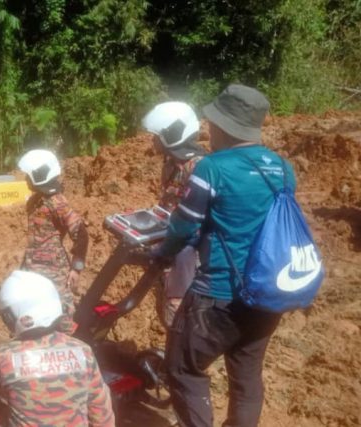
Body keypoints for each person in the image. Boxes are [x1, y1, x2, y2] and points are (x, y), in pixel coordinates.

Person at [153, 84, 295, 427]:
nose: (209, 129)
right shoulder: (281, 168)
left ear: (224, 126)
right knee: (246, 378)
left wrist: (161, 254)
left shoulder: (212, 169)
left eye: (212, 123)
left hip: (219, 296)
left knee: (182, 368)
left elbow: (184, 228)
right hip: (267, 295)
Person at [0, 270, 114, 427]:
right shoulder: (82, 351)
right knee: (100, 393)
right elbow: (100, 408)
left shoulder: (3, 357)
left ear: (11, 317)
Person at [142, 102, 206, 328]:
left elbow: (198, 220)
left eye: (156, 136)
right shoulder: (171, 163)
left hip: (187, 254)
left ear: (172, 135)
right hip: (169, 246)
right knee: (166, 304)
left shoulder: (199, 167)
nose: (153, 141)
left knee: (179, 317)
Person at [17, 149, 88, 335]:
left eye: (28, 176)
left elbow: (81, 233)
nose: (26, 180)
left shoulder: (58, 203)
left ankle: (71, 346)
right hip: (33, 266)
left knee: (62, 313)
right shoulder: (35, 200)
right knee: (35, 309)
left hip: (53, 270)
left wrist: (76, 267)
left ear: (40, 176)